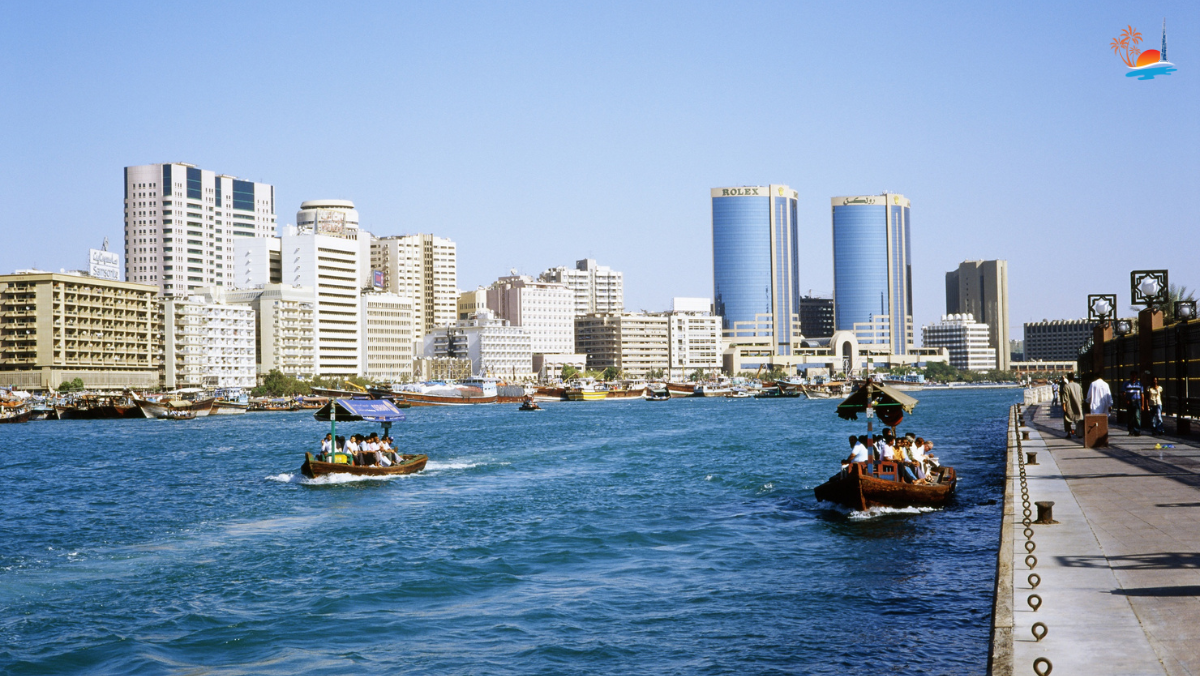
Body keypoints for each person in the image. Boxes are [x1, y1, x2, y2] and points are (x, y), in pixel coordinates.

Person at [1061, 373, 1085, 439]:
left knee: (1067, 419)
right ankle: (1080, 433)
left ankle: (1069, 433)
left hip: (1069, 405)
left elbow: (1065, 398)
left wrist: (1064, 406)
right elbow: (1081, 396)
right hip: (1078, 405)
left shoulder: (1066, 386)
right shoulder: (1078, 385)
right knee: (1079, 419)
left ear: (1068, 378)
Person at [1122, 370, 1145, 436]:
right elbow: (1123, 393)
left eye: (1135, 376)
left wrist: (1142, 405)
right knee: (1130, 417)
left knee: (1137, 416)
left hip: (1137, 401)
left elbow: (1142, 394)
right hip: (1130, 401)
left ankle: (1137, 430)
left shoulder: (1139, 384)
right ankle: (1131, 430)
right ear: (1130, 376)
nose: (1134, 377)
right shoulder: (1126, 384)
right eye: (1133, 376)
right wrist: (1126, 400)